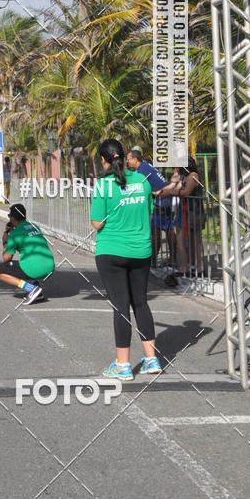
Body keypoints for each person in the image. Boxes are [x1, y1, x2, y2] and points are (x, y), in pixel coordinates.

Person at [90, 138, 160, 380]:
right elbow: (148, 212)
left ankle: (123, 365)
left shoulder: (102, 185)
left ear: (104, 160)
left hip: (111, 252)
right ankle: (151, 359)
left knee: (120, 307)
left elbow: (97, 223)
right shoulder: (142, 181)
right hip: (141, 251)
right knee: (140, 303)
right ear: (124, 155)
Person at [0, 203, 55, 304]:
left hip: (35, 268)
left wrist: (5, 243)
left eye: (10, 216)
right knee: (27, 259)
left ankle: (31, 289)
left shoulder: (14, 234)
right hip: (50, 266)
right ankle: (36, 287)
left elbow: (6, 258)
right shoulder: (34, 226)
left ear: (13, 218)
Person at [125, 148, 173, 269]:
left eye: (128, 159)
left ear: (135, 159)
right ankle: (173, 259)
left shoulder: (142, 170)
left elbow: (138, 188)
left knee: (155, 232)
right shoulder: (146, 166)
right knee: (168, 230)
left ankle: (153, 261)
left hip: (160, 201)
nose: (127, 162)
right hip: (165, 199)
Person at [163, 158, 206, 278]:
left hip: (194, 212)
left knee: (195, 241)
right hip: (184, 211)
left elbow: (185, 192)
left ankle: (199, 268)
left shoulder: (193, 176)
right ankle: (185, 267)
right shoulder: (183, 177)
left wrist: (174, 192)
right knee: (181, 240)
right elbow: (175, 187)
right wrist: (176, 179)